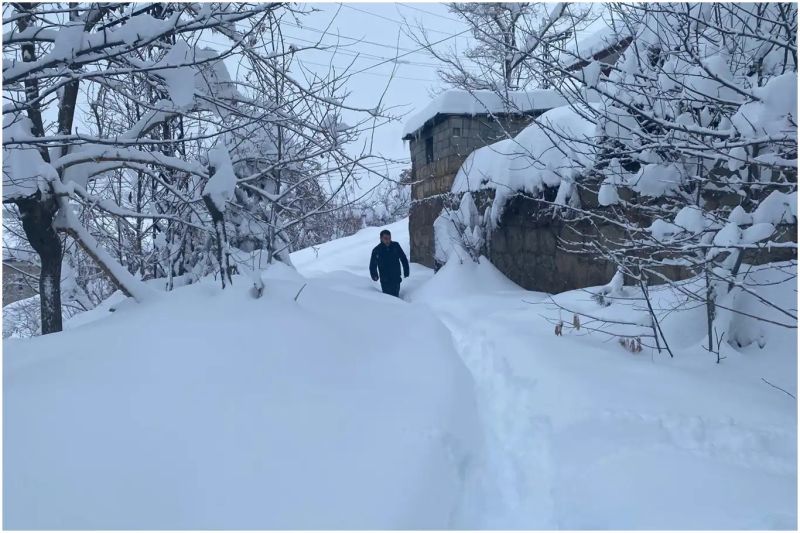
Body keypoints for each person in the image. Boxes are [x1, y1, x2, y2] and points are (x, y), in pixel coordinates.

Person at [369, 229, 409, 297]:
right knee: (388, 297)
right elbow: (373, 265)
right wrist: (374, 275)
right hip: (385, 280)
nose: (388, 240)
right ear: (381, 238)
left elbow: (403, 258)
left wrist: (406, 270)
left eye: (389, 238)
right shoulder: (376, 250)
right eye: (385, 238)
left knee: (396, 296)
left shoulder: (396, 246)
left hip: (396, 277)